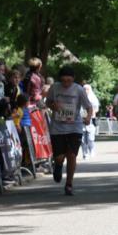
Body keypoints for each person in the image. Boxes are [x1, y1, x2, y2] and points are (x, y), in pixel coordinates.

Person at [45, 66, 94, 196]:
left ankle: (69, 184)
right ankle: (58, 165)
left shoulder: (79, 90)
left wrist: (88, 117)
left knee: (72, 155)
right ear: (60, 79)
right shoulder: (55, 87)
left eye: (69, 81)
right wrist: (52, 105)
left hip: (75, 127)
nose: (66, 83)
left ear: (73, 79)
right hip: (57, 128)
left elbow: (89, 107)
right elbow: (48, 102)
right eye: (64, 81)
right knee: (60, 157)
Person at [80, 83, 101, 159]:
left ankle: (91, 150)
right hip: (81, 120)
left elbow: (96, 108)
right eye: (84, 89)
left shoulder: (93, 98)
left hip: (91, 120)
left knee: (90, 138)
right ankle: (85, 153)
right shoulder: (80, 98)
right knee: (82, 139)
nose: (86, 90)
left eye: (87, 89)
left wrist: (92, 113)